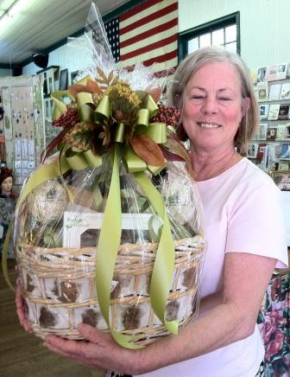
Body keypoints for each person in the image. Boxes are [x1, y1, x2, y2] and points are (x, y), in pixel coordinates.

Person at [16, 46, 288, 376]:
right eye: (198, 95)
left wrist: (140, 360)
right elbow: (89, 242)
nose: (210, 108)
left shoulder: (255, 191)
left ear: (244, 107)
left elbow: (239, 317)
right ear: (179, 106)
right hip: (129, 359)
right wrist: (40, 282)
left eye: (225, 97)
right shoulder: (148, 172)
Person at [0, 168, 17, 258]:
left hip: (12, 227)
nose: (8, 185)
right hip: (3, 227)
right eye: (5, 182)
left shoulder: (13, 197)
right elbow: (4, 215)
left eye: (10, 182)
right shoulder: (1, 199)